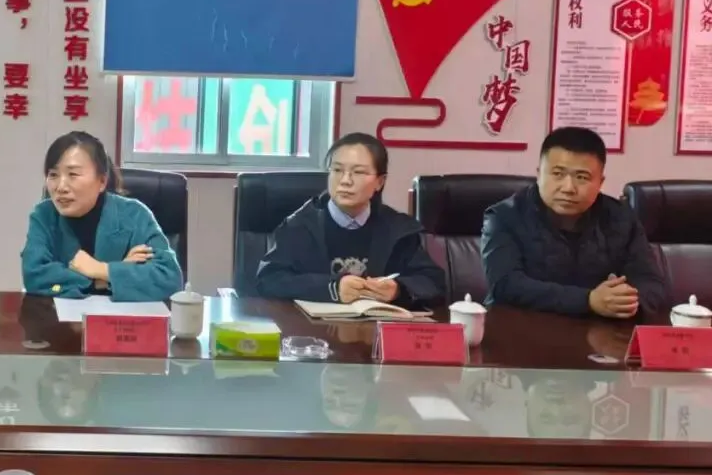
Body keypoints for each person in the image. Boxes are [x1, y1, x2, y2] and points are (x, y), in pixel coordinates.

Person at [481, 126, 665, 318]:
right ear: (539, 174)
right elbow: (505, 285)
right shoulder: (505, 216)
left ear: (600, 182)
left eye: (582, 177)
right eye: (558, 174)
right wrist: (589, 300)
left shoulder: (621, 217)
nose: (568, 188)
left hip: (602, 330)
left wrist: (625, 301)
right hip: (519, 327)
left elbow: (652, 284)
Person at [256, 132, 444, 306]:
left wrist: (398, 289)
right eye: (337, 170)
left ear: (380, 182)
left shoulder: (398, 230)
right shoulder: (300, 226)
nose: (345, 180)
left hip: (376, 327)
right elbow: (269, 279)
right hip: (313, 328)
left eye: (359, 172)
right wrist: (331, 288)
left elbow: (433, 281)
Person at [21, 131, 182, 301]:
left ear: (102, 181)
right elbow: (34, 277)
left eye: (73, 174)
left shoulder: (134, 214)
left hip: (123, 317)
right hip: (59, 317)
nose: (60, 187)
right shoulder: (44, 215)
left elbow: (169, 279)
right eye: (53, 175)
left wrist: (101, 269)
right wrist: (103, 279)